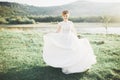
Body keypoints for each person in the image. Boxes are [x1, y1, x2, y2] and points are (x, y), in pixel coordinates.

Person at [42, 10, 97, 74]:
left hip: (70, 38)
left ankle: (71, 63)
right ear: (62, 16)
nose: (65, 17)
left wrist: (76, 36)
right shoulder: (60, 23)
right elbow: (57, 31)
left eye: (66, 16)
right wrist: (50, 35)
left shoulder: (71, 23)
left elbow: (73, 30)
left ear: (68, 16)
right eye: (64, 16)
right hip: (63, 38)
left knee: (72, 50)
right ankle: (63, 63)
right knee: (62, 50)